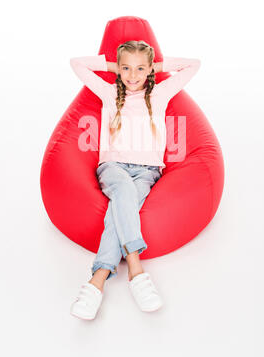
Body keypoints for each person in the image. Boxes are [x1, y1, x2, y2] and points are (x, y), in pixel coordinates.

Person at [69, 40, 201, 319]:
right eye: (126, 68)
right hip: (113, 167)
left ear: (149, 69)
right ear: (118, 69)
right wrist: (111, 66)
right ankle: (136, 270)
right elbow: (76, 64)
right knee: (125, 193)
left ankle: (97, 281)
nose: (132, 75)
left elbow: (194, 65)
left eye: (140, 69)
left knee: (120, 206)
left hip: (147, 171)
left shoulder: (160, 93)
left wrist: (158, 66)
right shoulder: (108, 92)